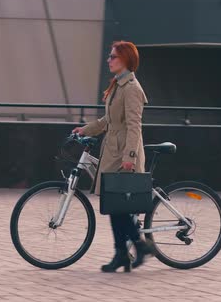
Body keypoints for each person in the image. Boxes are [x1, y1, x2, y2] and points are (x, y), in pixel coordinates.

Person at [72, 40, 155, 273]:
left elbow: (134, 126)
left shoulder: (132, 89)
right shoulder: (118, 86)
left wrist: (130, 156)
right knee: (114, 206)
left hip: (123, 155)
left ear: (126, 60)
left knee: (118, 207)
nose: (108, 60)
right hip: (112, 152)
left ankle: (138, 245)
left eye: (113, 57)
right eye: (109, 56)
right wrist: (84, 129)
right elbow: (107, 121)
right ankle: (123, 254)